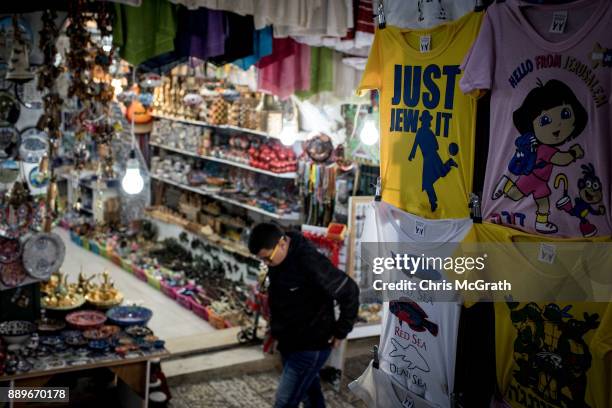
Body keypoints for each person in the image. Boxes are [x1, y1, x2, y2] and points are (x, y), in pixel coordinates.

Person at [248, 223, 360, 408]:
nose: (267, 264)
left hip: (310, 346)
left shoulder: (309, 262)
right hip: (290, 341)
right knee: (310, 392)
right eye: (263, 260)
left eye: (268, 258)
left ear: (282, 243)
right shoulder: (280, 257)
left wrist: (341, 331)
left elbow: (350, 291)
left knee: (285, 401)